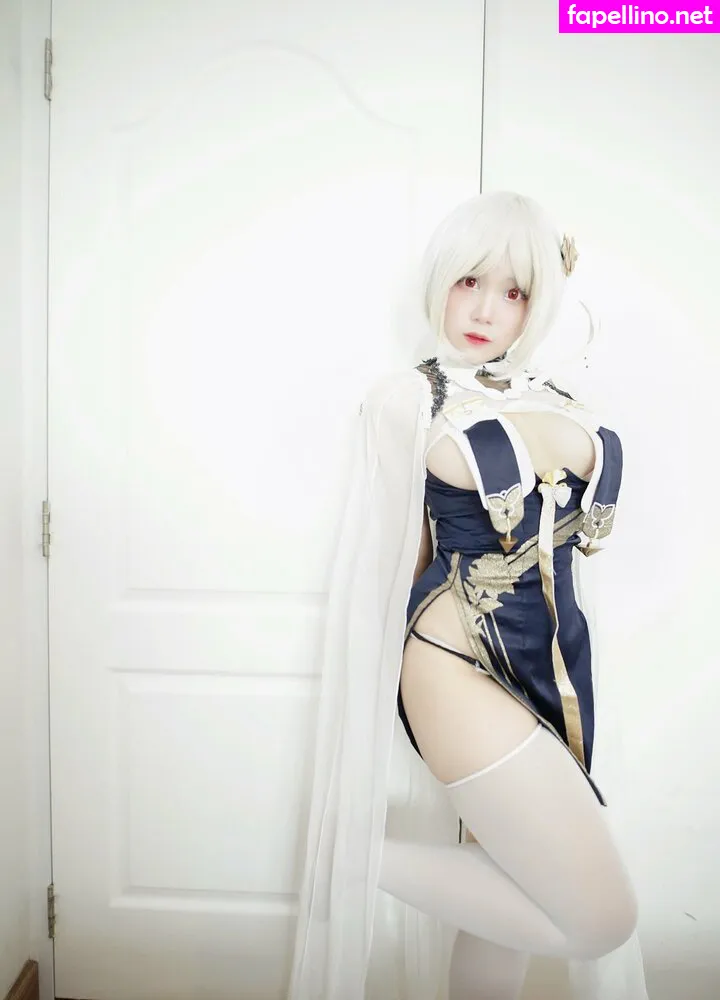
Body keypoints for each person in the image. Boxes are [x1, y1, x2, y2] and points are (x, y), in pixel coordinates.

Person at [289, 192, 649, 1000]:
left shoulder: (558, 396)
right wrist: (370, 712)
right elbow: (386, 561)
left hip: (551, 665)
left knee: (513, 891)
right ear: (441, 281)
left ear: (538, 301)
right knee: (601, 919)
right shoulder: (408, 399)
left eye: (514, 291)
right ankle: (350, 854)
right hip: (454, 666)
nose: (487, 309)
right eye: (469, 281)